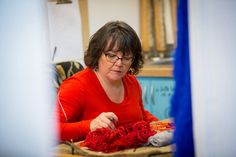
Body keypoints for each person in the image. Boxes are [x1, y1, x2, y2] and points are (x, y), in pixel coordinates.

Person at [54, 21, 158, 142]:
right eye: (111, 55)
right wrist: (90, 125)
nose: (119, 63)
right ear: (97, 53)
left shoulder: (132, 81)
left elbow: (141, 115)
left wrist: (161, 125)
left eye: (126, 57)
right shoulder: (76, 86)